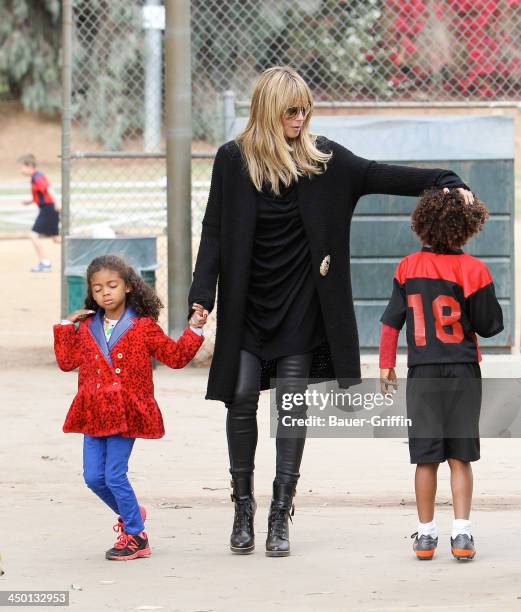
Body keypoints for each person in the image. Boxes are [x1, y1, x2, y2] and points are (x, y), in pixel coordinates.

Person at [188, 65, 475, 557]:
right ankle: (242, 507)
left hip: (302, 306)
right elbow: (214, 229)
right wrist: (202, 294)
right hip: (247, 306)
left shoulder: (324, 160)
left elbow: (380, 175)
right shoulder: (232, 160)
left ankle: (281, 511)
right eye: (290, 111)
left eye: (304, 109)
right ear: (266, 113)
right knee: (240, 400)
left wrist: (446, 179)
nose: (299, 118)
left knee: (291, 405)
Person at [54, 255, 206, 561]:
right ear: (91, 292)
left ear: (128, 287)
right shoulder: (84, 326)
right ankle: (132, 511)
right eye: (97, 289)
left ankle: (136, 535)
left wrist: (194, 329)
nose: (105, 293)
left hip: (126, 413)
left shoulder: (143, 326)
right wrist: (65, 325)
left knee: (114, 475)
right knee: (93, 478)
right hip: (93, 412)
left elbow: (175, 358)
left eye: (112, 285)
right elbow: (66, 362)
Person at [379, 189, 503, 561]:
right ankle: (462, 536)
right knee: (460, 456)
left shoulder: (406, 267)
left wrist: (387, 364)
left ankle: (426, 537)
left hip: (423, 373)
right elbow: (490, 326)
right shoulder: (475, 270)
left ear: (423, 224)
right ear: (467, 227)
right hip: (463, 370)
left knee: (426, 457)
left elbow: (390, 322)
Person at [18, 154, 61, 272]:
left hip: (48, 209)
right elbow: (41, 194)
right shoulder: (34, 178)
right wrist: (30, 201)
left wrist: (57, 202)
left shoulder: (37, 177)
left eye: (23, 167)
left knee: (33, 235)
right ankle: (78, 248)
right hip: (47, 208)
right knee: (56, 238)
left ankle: (45, 263)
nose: (21, 170)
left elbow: (48, 189)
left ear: (30, 166)